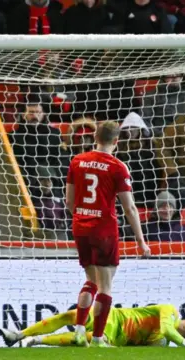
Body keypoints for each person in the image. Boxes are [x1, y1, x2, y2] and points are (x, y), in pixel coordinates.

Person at [64, 121, 151, 347]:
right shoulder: (117, 167)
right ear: (116, 141)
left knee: (91, 281)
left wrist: (84, 217)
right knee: (105, 286)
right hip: (104, 229)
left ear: (95, 136)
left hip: (80, 226)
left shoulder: (77, 161)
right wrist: (141, 241)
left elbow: (69, 202)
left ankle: (79, 330)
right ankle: (98, 338)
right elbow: (129, 208)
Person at [0, 304, 185, 347]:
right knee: (73, 315)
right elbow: (166, 328)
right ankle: (19, 334)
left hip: (117, 339)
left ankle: (34, 340)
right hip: (112, 318)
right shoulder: (170, 311)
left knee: (85, 339)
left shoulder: (162, 344)